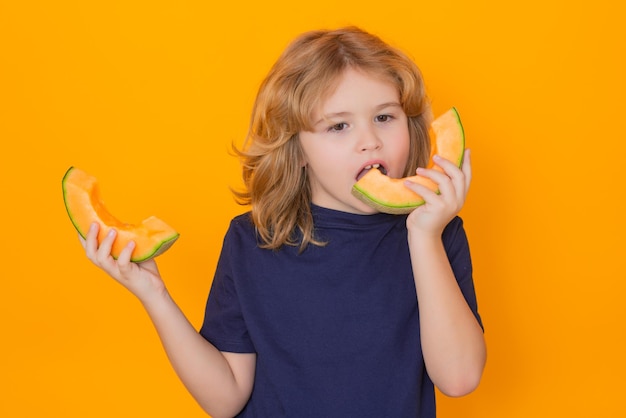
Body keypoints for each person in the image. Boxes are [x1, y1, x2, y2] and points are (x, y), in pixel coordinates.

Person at [81, 26, 486, 418]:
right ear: (298, 148)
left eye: (384, 117)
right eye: (338, 125)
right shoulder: (251, 240)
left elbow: (459, 378)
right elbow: (225, 400)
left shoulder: (437, 231)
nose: (370, 140)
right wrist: (154, 295)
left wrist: (423, 234)